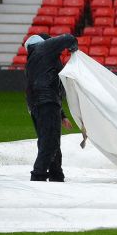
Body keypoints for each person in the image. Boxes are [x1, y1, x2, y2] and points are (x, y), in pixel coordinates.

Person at [24, 33, 77, 182]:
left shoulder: (33, 59)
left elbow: (44, 85)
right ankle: (38, 175)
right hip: (47, 103)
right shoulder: (44, 48)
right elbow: (69, 38)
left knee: (48, 139)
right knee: (50, 142)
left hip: (37, 105)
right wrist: (74, 49)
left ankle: (56, 174)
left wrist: (62, 115)